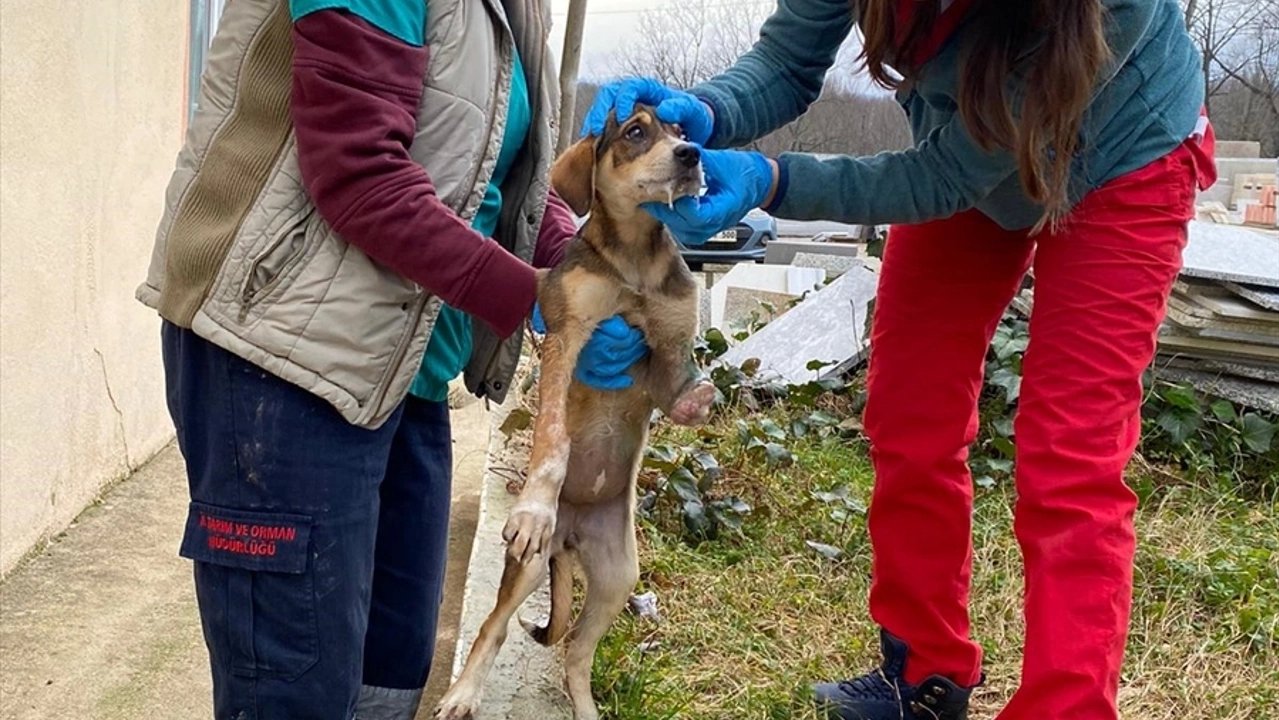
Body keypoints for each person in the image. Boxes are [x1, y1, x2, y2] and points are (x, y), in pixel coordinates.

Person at [585, 0, 1214, 718]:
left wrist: (773, 180)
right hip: (970, 145)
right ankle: (924, 675)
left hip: (1122, 158)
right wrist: (702, 110)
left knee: (1071, 451)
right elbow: (787, 65)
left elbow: (940, 179)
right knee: (912, 408)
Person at [137, 0, 644, 717]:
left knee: (392, 675)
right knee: (294, 691)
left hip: (409, 371)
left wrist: (585, 271)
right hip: (283, 366)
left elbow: (506, 180)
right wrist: (536, 295)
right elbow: (358, 170)